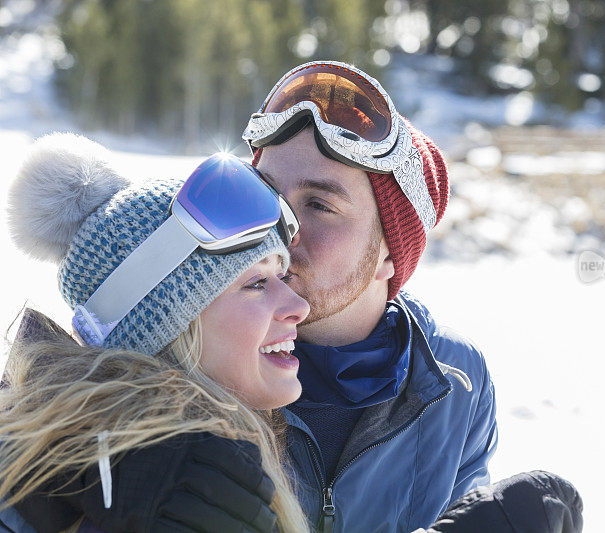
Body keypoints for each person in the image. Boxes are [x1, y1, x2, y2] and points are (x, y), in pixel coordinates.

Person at [0, 133, 310, 532]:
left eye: (281, 277)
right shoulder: (186, 498)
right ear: (167, 328)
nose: (299, 307)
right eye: (256, 283)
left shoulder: (102, 477)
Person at [241, 60, 499, 532]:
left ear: (390, 256)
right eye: (265, 193)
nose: (278, 229)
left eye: (319, 205)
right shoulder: (199, 352)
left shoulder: (456, 383)